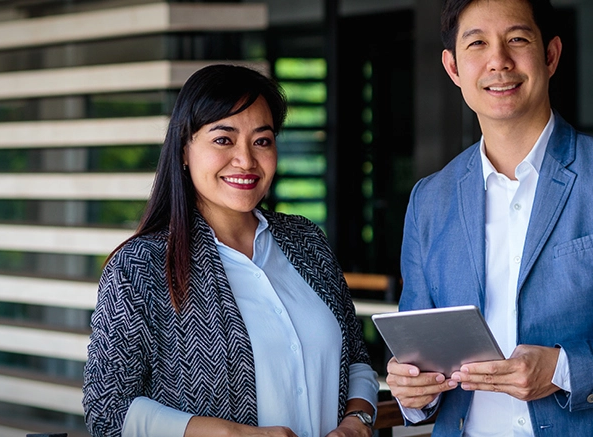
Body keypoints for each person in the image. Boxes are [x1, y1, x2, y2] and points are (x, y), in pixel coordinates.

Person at [386, 0, 593, 435]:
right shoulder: (429, 199)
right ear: (453, 68)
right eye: (478, 44)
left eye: (517, 39)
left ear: (551, 55)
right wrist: (414, 392)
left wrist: (564, 369)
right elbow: (419, 353)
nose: (499, 61)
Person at [83, 64, 378, 437]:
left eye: (262, 140)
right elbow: (108, 411)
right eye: (223, 139)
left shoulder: (307, 241)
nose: (246, 160)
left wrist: (358, 420)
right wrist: (230, 434)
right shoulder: (141, 266)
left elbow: (356, 359)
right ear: (185, 149)